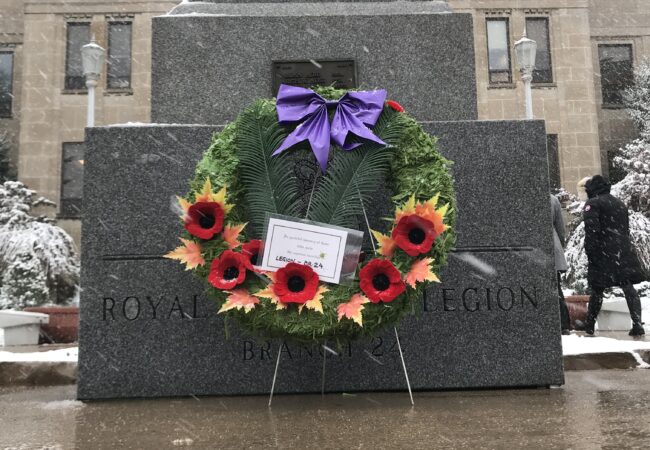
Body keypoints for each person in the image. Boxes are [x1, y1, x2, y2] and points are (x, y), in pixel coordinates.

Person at [579, 175, 646, 336]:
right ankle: (637, 324)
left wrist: (591, 252)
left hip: (603, 252)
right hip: (622, 250)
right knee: (627, 286)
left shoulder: (592, 204)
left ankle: (589, 324)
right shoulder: (619, 203)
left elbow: (592, 231)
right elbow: (625, 229)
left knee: (597, 288)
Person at [551, 194, 571, 334]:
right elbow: (560, 229)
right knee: (556, 288)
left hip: (532, 250)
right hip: (552, 247)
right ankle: (564, 323)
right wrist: (560, 246)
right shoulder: (552, 199)